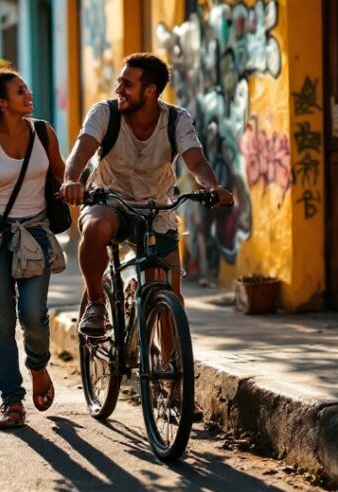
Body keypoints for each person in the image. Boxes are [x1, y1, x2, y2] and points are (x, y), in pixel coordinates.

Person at [59, 52, 234, 338]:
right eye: (119, 83)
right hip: (110, 200)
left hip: (157, 210)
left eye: (127, 84)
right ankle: (96, 303)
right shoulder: (105, 113)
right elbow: (81, 152)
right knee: (96, 225)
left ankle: (172, 379)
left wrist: (212, 187)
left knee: (169, 296)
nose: (119, 90)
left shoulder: (176, 119)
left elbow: (196, 162)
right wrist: (71, 180)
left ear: (150, 91)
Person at [0, 68, 67, 430]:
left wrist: (84, 194)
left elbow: (62, 174)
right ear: (2, 102)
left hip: (35, 234)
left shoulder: (43, 131)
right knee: (1, 322)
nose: (28, 94)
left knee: (34, 315)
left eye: (27, 88)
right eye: (20, 91)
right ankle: (11, 401)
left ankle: (37, 364)